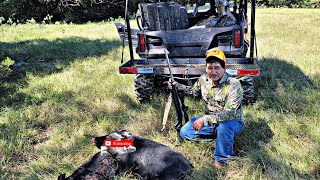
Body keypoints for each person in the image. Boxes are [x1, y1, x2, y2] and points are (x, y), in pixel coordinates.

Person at [168, 49, 245, 169]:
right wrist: (178, 86)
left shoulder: (233, 84)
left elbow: (230, 113)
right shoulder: (203, 79)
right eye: (210, 68)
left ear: (224, 68)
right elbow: (193, 92)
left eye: (217, 67)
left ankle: (222, 160)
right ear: (205, 68)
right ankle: (220, 137)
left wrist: (204, 119)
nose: (213, 72)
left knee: (224, 127)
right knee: (185, 132)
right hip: (210, 122)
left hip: (232, 122)